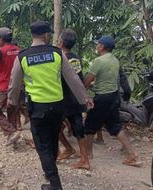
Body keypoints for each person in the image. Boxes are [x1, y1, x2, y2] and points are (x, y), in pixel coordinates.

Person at [8, 21, 93, 190]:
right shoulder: (57, 53)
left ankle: (55, 184)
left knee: (42, 145)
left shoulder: (23, 56)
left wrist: (11, 101)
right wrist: (85, 98)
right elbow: (73, 79)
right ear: (46, 35)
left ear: (32, 35)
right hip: (57, 108)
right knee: (53, 140)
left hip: (38, 108)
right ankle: (50, 173)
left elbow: (14, 84)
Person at [83, 35, 141, 167]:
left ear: (103, 46)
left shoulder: (99, 61)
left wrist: (86, 87)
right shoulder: (115, 60)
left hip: (102, 97)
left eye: (98, 44)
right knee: (115, 126)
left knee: (89, 126)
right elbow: (108, 79)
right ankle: (133, 154)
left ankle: (88, 154)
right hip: (113, 97)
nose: (96, 46)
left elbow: (87, 81)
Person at [56, 29, 90, 170]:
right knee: (78, 129)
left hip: (63, 98)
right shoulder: (76, 58)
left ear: (61, 42)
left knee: (55, 127)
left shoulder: (58, 58)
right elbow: (78, 78)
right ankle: (84, 159)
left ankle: (68, 149)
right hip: (76, 98)